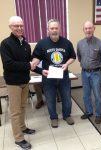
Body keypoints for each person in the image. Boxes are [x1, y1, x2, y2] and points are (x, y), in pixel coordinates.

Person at [31, 19, 76, 128]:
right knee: (50, 99)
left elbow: (73, 57)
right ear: (48, 30)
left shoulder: (66, 42)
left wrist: (67, 64)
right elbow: (35, 59)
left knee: (66, 98)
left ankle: (67, 115)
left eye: (56, 28)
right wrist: (36, 66)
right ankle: (53, 118)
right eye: (52, 28)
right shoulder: (42, 43)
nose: (54, 30)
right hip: (48, 78)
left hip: (63, 76)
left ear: (60, 29)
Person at [0, 16, 36, 149]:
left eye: (21, 25)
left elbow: (31, 64)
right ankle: (19, 138)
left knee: (22, 107)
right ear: (10, 27)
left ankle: (23, 127)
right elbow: (9, 64)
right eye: (16, 26)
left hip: (24, 81)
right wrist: (29, 65)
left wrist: (41, 70)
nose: (19, 28)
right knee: (15, 111)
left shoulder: (26, 45)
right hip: (13, 83)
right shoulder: (5, 44)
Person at [77, 21, 101, 124]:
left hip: (96, 73)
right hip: (84, 73)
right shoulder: (80, 43)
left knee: (97, 95)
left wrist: (97, 67)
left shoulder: (100, 43)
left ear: (94, 29)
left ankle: (98, 114)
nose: (88, 30)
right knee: (86, 95)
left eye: (90, 28)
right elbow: (79, 57)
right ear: (83, 30)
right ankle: (89, 112)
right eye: (86, 28)